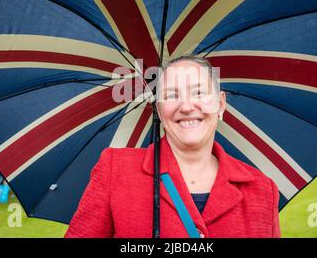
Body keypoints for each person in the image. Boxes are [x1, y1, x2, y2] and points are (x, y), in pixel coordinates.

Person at [65, 56, 281, 238]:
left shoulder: (262, 190)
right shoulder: (116, 169)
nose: (186, 106)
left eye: (198, 92)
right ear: (158, 109)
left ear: (221, 103)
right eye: (171, 95)